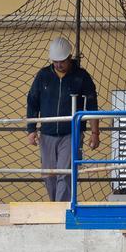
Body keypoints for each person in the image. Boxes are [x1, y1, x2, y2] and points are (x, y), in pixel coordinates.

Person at [26, 37, 101, 201]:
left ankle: (62, 210)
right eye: (55, 61)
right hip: (47, 134)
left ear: (70, 58)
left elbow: (92, 105)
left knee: (65, 174)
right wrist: (31, 130)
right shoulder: (43, 76)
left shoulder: (81, 77)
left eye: (62, 61)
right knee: (48, 175)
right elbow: (32, 101)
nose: (58, 65)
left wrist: (95, 133)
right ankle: (55, 206)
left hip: (71, 134)